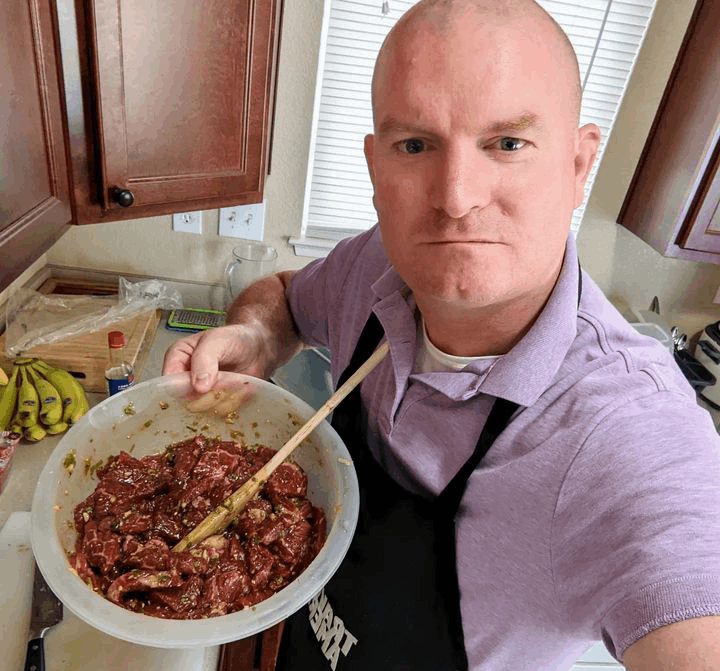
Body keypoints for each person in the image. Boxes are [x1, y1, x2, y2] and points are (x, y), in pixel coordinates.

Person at [163, 1, 720, 668]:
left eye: (508, 143)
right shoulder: (375, 265)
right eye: (416, 145)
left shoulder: (625, 433)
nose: (456, 197)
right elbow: (282, 295)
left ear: (577, 164)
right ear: (376, 168)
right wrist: (256, 337)